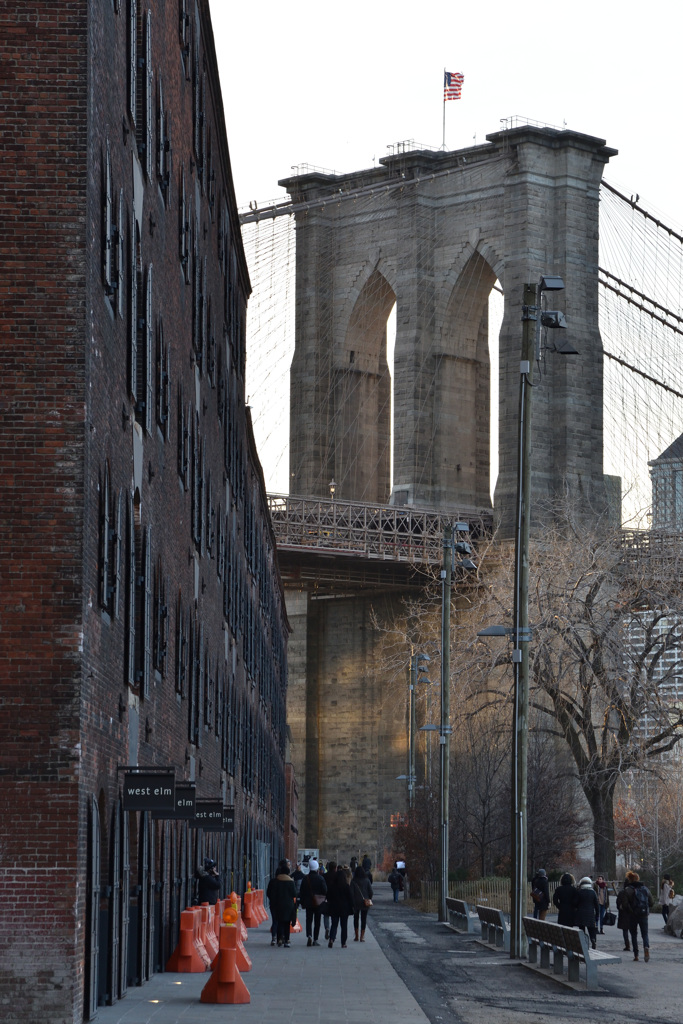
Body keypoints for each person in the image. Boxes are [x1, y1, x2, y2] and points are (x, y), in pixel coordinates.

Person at [624, 869, 654, 962]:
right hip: (644, 914)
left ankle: (636, 955)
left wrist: (630, 910)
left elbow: (625, 904)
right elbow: (652, 902)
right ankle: (646, 946)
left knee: (633, 934)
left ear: (630, 879)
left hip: (633, 915)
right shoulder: (645, 889)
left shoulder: (628, 889)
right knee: (644, 934)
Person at [267, 859, 297, 947]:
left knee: (279, 921)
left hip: (278, 904)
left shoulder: (276, 881)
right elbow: (294, 894)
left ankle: (279, 938)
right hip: (288, 905)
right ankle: (287, 940)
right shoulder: (290, 882)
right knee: (287, 923)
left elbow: (271, 893)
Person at [299, 857, 327, 946]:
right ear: (317, 868)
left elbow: (301, 891)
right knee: (317, 921)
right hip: (318, 903)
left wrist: (302, 902)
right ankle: (315, 939)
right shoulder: (320, 878)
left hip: (308, 902)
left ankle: (309, 935)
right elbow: (325, 890)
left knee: (309, 920)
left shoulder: (305, 878)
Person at [327, 864, 354, 948]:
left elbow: (328, 896)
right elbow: (350, 897)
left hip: (334, 907)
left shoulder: (332, 886)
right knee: (344, 926)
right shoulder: (346, 886)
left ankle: (331, 939)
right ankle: (343, 943)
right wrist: (352, 906)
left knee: (334, 924)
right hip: (344, 908)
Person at [573, 876, 599, 949]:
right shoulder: (593, 892)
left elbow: (575, 903)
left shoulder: (579, 892)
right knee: (591, 929)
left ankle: (583, 942)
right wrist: (597, 915)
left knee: (582, 929)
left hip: (581, 914)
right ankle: (593, 940)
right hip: (590, 914)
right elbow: (596, 905)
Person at [351, 864, 373, 942]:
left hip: (356, 902)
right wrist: (369, 898)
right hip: (365, 902)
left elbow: (351, 893)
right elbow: (371, 891)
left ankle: (356, 936)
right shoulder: (367, 880)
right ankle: (362, 936)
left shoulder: (353, 881)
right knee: (364, 919)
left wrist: (352, 901)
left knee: (356, 918)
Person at [616, 882, 632, 952]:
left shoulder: (622, 892)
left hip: (623, 914)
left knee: (625, 930)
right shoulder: (634, 892)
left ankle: (627, 945)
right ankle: (634, 944)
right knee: (633, 931)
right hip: (632, 914)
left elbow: (618, 902)